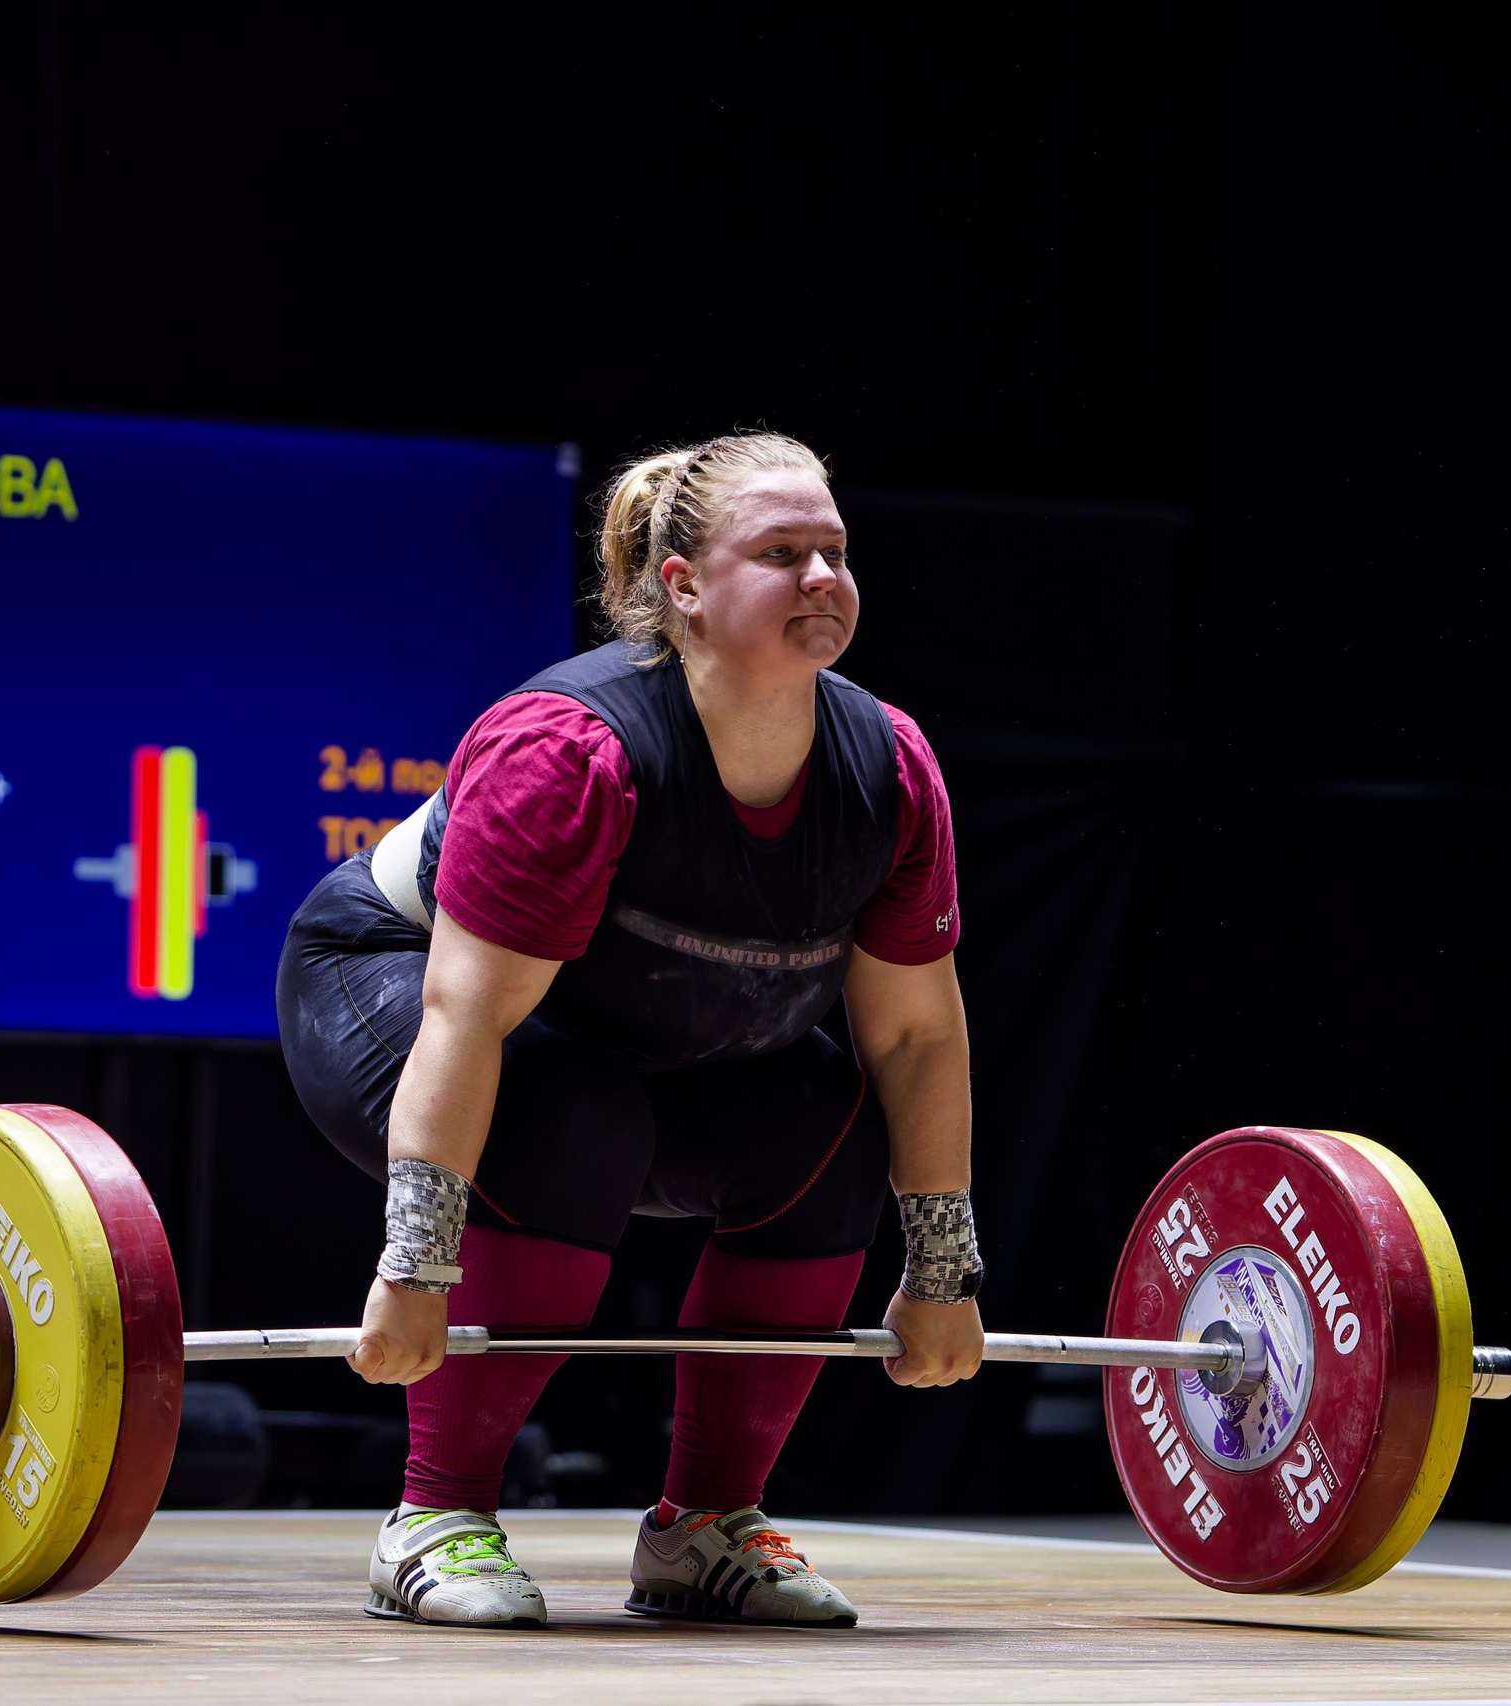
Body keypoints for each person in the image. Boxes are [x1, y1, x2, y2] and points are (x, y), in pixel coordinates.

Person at [276, 431, 985, 1629]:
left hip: (635, 1031)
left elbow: (915, 1038)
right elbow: (467, 1010)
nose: (822, 577)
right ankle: (435, 1515)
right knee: (573, 1110)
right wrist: (415, 1267)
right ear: (682, 585)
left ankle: (706, 1525)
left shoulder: (888, 769)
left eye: (834, 552)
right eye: (780, 553)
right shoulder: (570, 751)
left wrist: (944, 1273)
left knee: (824, 1120)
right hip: (389, 985)